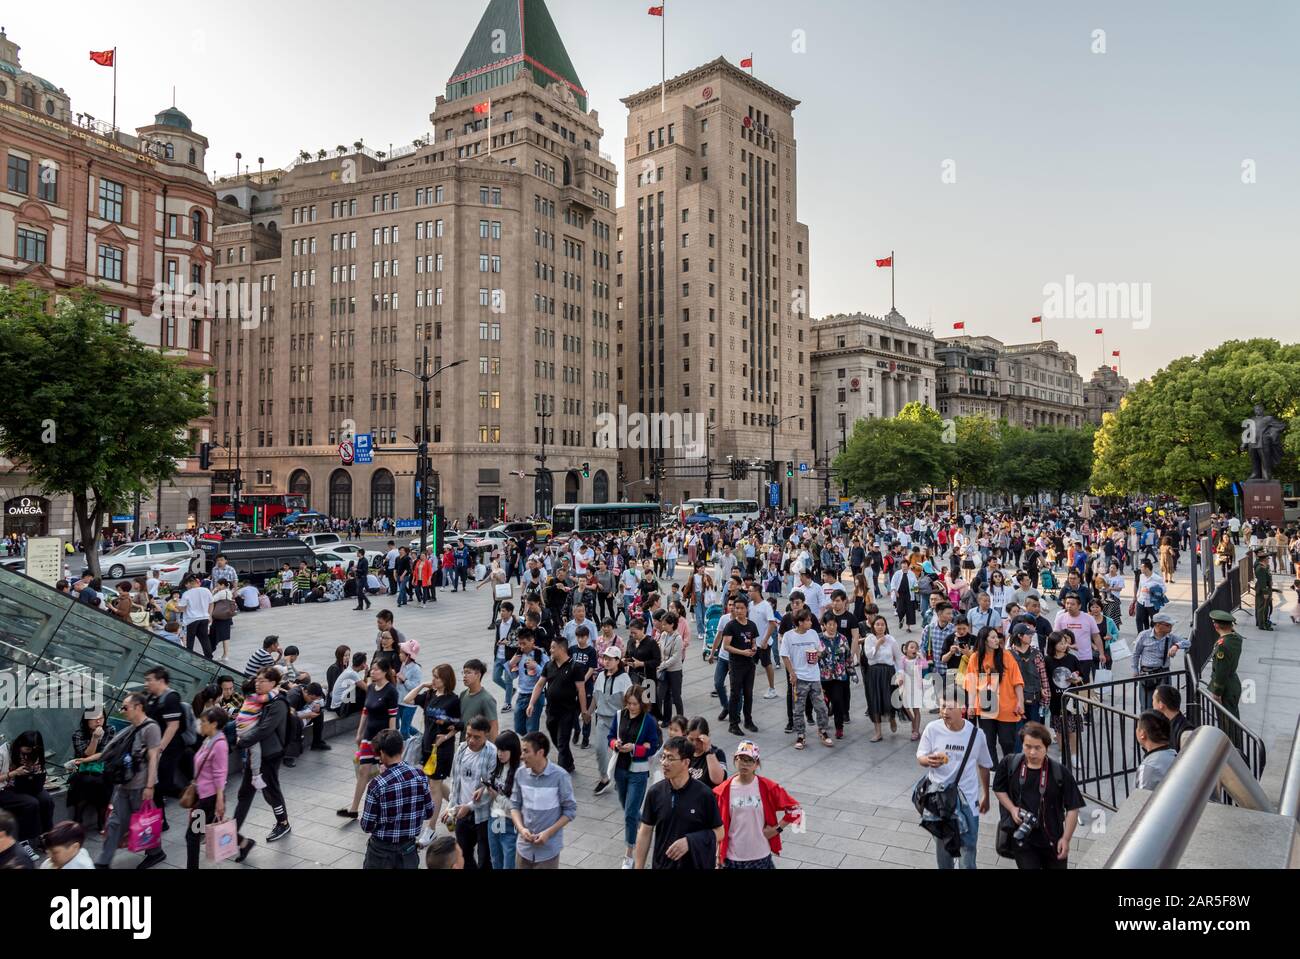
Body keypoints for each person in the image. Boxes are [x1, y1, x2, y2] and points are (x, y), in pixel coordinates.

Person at [76, 693, 161, 868]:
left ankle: (156, 852)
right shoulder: (130, 729)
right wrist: (86, 760)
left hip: (140, 786)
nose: (122, 711)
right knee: (114, 822)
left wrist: (150, 786)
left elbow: (154, 758)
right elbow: (111, 750)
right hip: (123, 785)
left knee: (145, 822)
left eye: (125, 707)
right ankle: (104, 861)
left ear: (138, 707)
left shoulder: (151, 728)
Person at [992, 722, 1085, 870]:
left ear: (1046, 748)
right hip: (1023, 839)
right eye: (1028, 746)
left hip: (1053, 840)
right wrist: (1012, 808)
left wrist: (1066, 839)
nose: (1032, 752)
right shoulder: (1010, 763)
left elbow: (1073, 808)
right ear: (1022, 745)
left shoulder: (1059, 772)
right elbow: (998, 788)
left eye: (1037, 748)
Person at [917, 694, 993, 869]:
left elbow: (984, 765)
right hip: (940, 799)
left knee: (968, 846)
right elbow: (920, 756)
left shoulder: (976, 734)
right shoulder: (932, 729)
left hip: (968, 799)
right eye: (943, 707)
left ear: (963, 710)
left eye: (950, 708)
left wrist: (986, 795)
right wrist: (928, 761)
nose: (945, 712)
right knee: (943, 846)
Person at [633, 735, 724, 869]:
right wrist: (639, 866)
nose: (664, 763)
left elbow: (720, 832)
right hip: (662, 865)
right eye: (663, 757)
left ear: (686, 762)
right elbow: (645, 831)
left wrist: (690, 842)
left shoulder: (704, 794)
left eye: (670, 758)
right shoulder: (655, 792)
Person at [712, 739, 802, 869]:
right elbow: (717, 825)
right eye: (741, 759)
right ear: (735, 761)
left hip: (761, 857)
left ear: (756, 764)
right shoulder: (723, 790)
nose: (744, 764)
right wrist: (717, 854)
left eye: (749, 760)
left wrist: (777, 829)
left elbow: (796, 810)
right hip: (732, 859)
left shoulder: (767, 787)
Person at [232, 669, 292, 859]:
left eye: (263, 681)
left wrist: (243, 741)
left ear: (274, 683)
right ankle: (234, 833)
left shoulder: (278, 703)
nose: (258, 683)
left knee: (271, 790)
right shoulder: (261, 699)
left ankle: (283, 823)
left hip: (270, 754)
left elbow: (265, 729)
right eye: (257, 680)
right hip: (256, 752)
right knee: (245, 793)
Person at [359, 728, 432, 869]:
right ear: (402, 748)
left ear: (381, 753)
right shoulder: (420, 776)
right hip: (408, 850)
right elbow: (428, 812)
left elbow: (367, 825)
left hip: (380, 853)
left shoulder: (377, 785)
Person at [610, 686, 662, 868]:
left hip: (638, 772)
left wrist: (635, 748)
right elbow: (610, 737)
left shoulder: (648, 721)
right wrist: (615, 743)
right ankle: (645, 825)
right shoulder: (619, 716)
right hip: (620, 769)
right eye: (629, 703)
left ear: (642, 703)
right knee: (628, 810)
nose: (631, 707)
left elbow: (653, 746)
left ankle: (629, 854)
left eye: (635, 704)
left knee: (629, 813)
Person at [509, 732, 577, 869]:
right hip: (523, 849)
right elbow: (514, 806)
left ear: (540, 752)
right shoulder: (520, 774)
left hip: (548, 851)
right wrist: (522, 830)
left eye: (525, 751)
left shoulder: (560, 776)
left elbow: (570, 810)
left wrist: (548, 833)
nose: (521, 756)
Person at [406, 663, 458, 818]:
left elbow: (458, 724)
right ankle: (456, 806)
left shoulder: (453, 700)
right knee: (436, 783)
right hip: (426, 745)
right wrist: (422, 685)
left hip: (441, 749)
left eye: (437, 677)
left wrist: (446, 737)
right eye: (433, 676)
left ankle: (431, 828)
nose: (433, 680)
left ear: (446, 679)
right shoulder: (430, 695)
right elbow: (407, 699)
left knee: (434, 786)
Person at [530, 636, 588, 774]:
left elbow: (581, 690)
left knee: (562, 742)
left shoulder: (575, 666)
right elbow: (539, 685)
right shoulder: (549, 665)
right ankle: (569, 762)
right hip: (551, 711)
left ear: (562, 649)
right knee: (557, 740)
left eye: (553, 648)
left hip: (567, 711)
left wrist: (584, 711)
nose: (550, 650)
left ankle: (561, 773)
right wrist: (531, 703)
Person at [447, 716, 498, 870]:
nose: (471, 740)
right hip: (462, 813)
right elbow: (456, 782)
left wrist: (469, 807)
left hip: (483, 815)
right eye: (469, 735)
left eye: (477, 737)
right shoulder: (461, 749)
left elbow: (491, 788)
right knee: (464, 855)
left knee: (485, 859)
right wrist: (451, 808)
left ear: (486, 735)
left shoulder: (492, 753)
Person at [779, 606, 833, 749]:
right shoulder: (789, 636)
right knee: (798, 709)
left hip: (814, 677)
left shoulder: (813, 633)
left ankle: (823, 731)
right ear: (800, 622)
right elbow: (785, 656)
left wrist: (818, 656)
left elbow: (820, 651)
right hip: (799, 677)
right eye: (808, 620)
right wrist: (792, 673)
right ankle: (801, 735)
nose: (811, 623)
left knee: (821, 707)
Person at [185, 707, 229, 870]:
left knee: (192, 836)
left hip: (208, 800)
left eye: (203, 722)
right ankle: (244, 844)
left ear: (214, 724)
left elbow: (220, 773)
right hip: (203, 796)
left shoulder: (219, 745)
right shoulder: (209, 739)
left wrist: (219, 799)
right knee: (208, 828)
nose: (200, 724)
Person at [591, 645, 632, 796]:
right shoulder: (601, 676)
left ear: (617, 660)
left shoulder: (624, 679)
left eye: (609, 659)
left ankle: (622, 778)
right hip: (601, 719)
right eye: (604, 658)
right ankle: (604, 778)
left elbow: (629, 702)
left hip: (619, 722)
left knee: (621, 752)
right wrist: (588, 713)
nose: (606, 662)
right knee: (599, 749)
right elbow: (596, 696)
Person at [0, 731, 54, 844]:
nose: (30, 752)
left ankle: (46, 834)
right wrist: (13, 773)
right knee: (30, 803)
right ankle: (23, 841)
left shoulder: (33, 752)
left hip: (23, 786)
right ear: (19, 744)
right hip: (3, 788)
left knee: (46, 799)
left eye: (33, 750)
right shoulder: (3, 753)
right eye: (28, 749)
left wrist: (35, 771)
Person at [1132, 612, 1190, 710]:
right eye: (1167, 625)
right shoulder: (1144, 635)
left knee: (1165, 703)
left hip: (1164, 673)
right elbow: (1136, 653)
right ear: (1158, 625)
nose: (1170, 627)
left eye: (1171, 625)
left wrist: (1176, 646)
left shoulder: (1170, 637)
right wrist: (1135, 670)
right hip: (1147, 674)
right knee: (1147, 705)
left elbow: (1188, 642)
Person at [67, 708, 112, 830]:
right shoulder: (78, 734)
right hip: (83, 770)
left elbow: (105, 753)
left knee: (102, 780)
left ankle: (101, 819)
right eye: (94, 718)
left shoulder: (109, 730)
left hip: (102, 768)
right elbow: (85, 754)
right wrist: (95, 738)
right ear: (86, 720)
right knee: (85, 780)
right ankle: (78, 818)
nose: (98, 721)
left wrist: (85, 760)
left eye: (101, 718)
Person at [722, 596, 761, 736]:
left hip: (749, 665)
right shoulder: (731, 626)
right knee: (735, 694)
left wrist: (754, 648)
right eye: (736, 608)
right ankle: (733, 724)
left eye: (741, 608)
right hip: (736, 665)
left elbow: (753, 642)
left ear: (747, 609)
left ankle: (748, 721)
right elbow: (726, 646)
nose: (738, 610)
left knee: (749, 694)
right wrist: (742, 652)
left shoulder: (751, 625)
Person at [864, 614, 905, 742]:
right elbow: (869, 656)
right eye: (877, 624)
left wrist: (900, 674)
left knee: (889, 699)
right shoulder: (869, 639)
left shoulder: (891, 639)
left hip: (888, 672)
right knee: (874, 701)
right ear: (873, 626)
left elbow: (898, 658)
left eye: (882, 624)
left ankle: (892, 718)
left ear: (886, 626)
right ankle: (878, 732)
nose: (880, 627)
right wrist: (877, 644)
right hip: (874, 673)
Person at [484, 731, 522, 869]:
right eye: (498, 749)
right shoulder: (499, 766)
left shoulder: (520, 772)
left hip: (510, 823)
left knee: (509, 863)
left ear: (513, 750)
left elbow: (515, 806)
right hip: (495, 817)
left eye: (504, 750)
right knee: (495, 860)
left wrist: (497, 796)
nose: (500, 753)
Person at [817, 610, 853, 739]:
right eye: (829, 624)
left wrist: (852, 672)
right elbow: (813, 659)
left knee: (838, 701)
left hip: (839, 676)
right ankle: (822, 727)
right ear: (824, 625)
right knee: (823, 704)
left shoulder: (842, 639)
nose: (832, 627)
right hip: (823, 677)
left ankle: (839, 727)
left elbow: (848, 657)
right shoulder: (818, 639)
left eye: (834, 624)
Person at [508, 627, 549, 736]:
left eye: (524, 643)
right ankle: (530, 743)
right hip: (521, 695)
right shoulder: (519, 655)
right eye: (519, 644)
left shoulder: (541, 655)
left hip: (536, 696)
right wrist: (511, 664)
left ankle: (532, 747)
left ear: (532, 641)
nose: (522, 647)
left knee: (532, 729)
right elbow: (513, 675)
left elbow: (549, 675)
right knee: (519, 728)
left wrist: (536, 667)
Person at [1207, 609, 1244, 720]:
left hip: (1225, 688)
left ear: (1216, 626)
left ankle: (1231, 738)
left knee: (1226, 721)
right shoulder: (1236, 638)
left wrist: (1217, 692)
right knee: (1233, 717)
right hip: (1233, 682)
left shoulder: (1222, 646)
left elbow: (1220, 672)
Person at [1135, 710, 1177, 791]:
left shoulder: (1148, 768)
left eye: (1137, 728)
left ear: (1142, 734)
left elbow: (1141, 800)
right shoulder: (1174, 755)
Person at [459, 659, 499, 743]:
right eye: (463, 672)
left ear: (478, 675)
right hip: (464, 744)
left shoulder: (487, 699)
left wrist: (492, 751)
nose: (464, 676)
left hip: (478, 746)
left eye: (468, 672)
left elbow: (493, 728)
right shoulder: (463, 694)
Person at [179, 573, 215, 658]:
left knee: (190, 640)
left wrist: (178, 606)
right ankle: (209, 657)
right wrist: (209, 615)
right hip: (204, 618)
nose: (186, 586)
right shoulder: (206, 590)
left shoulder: (187, 594)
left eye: (186, 584)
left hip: (191, 619)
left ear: (190, 583)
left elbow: (182, 609)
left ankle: (189, 657)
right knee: (204, 639)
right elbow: (211, 603)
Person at [685, 717, 728, 787]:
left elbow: (718, 780)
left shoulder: (717, 753)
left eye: (699, 740)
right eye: (691, 739)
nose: (694, 744)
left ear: (707, 736)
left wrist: (708, 751)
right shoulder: (684, 752)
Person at [1153, 684, 1193, 751]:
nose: (1152, 704)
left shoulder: (1185, 734)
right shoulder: (1163, 724)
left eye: (1153, 700)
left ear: (1161, 704)